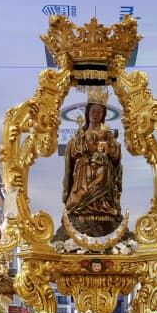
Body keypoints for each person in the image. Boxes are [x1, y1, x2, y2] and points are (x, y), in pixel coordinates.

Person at [61, 93, 123, 240]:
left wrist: (109, 149)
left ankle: (104, 207)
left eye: (99, 112)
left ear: (103, 115)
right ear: (88, 113)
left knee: (103, 173)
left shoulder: (108, 135)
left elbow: (116, 156)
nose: (95, 114)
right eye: (93, 111)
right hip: (83, 172)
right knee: (77, 199)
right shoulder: (80, 134)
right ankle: (79, 209)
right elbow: (72, 153)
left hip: (103, 171)